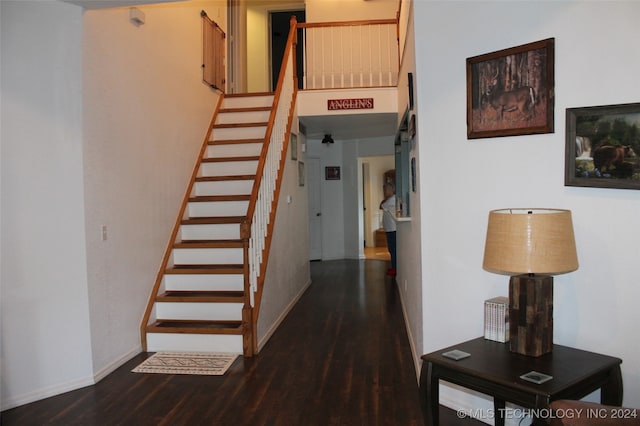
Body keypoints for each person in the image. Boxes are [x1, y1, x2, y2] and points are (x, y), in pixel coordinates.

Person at [379, 182, 397, 276]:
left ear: (392, 190)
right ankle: (394, 267)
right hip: (390, 229)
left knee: (393, 249)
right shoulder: (390, 199)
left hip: (392, 229)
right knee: (391, 249)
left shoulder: (392, 200)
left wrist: (385, 199)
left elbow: (381, 206)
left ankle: (395, 268)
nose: (385, 192)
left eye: (386, 189)